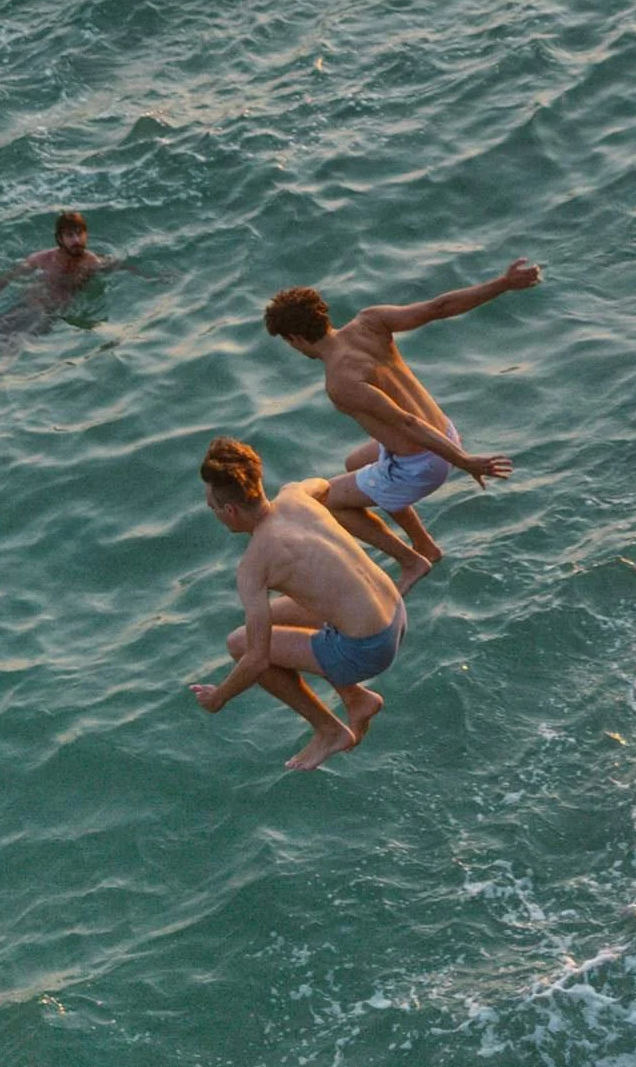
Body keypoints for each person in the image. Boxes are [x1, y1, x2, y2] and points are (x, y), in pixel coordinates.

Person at [263, 258, 541, 592]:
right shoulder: (370, 321)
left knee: (325, 500)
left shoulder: (340, 380)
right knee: (355, 463)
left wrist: (464, 462)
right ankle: (425, 544)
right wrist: (503, 283)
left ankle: (411, 560)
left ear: (294, 338)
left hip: (425, 462)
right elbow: (439, 307)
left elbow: (404, 422)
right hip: (445, 432)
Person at [189, 437, 403, 771]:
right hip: (394, 614)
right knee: (283, 610)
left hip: (368, 649)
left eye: (212, 508)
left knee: (239, 644)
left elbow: (257, 660)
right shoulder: (296, 494)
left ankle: (329, 730)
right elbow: (323, 486)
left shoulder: (253, 566)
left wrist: (219, 698)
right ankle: (356, 698)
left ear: (229, 511)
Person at [0, 211, 130, 365]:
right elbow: (8, 277)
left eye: (79, 233)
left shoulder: (92, 262)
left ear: (86, 234)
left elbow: (121, 266)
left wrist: (150, 276)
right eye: (70, 235)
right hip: (27, 305)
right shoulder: (40, 259)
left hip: (49, 314)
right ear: (59, 239)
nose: (76, 240)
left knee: (17, 343)